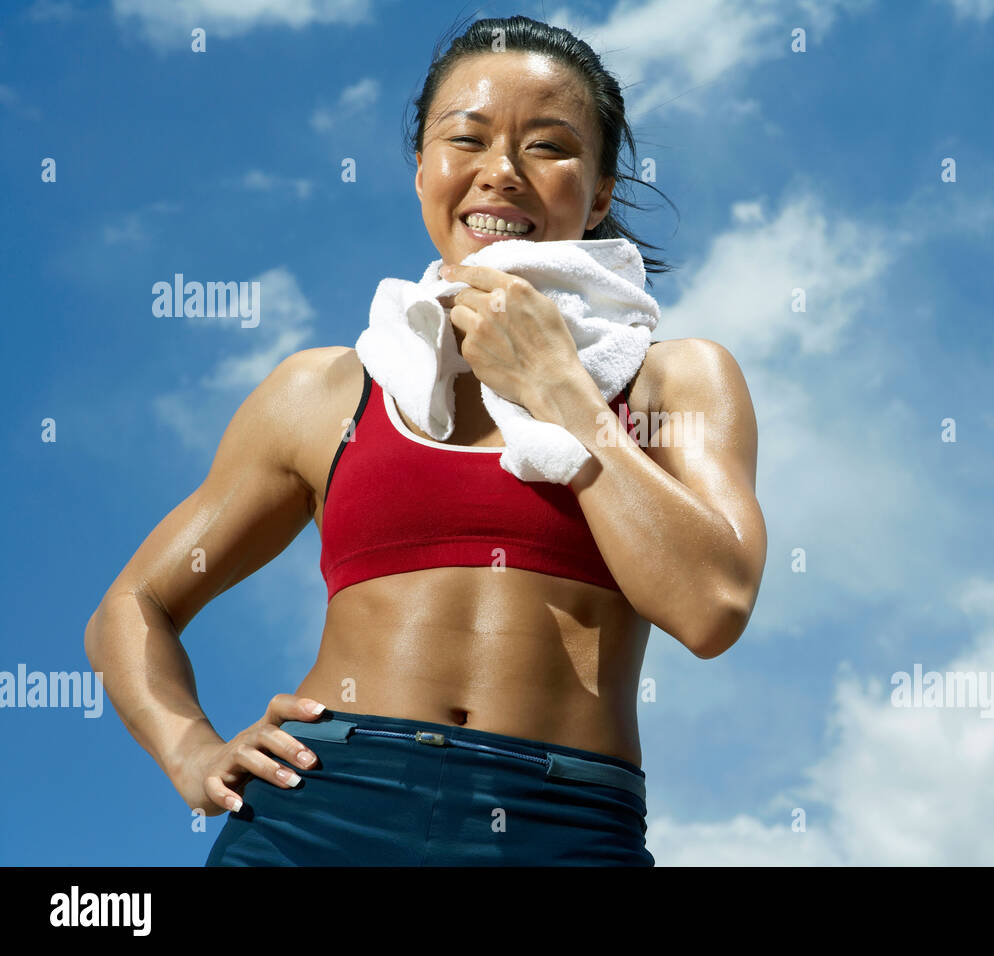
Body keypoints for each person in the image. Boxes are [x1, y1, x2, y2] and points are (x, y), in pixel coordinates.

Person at [83, 14, 766, 866]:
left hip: (561, 825)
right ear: (421, 173)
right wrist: (190, 748)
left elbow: (713, 607)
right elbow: (132, 607)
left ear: (597, 194)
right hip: (316, 814)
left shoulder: (675, 380)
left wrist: (559, 389)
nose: (501, 173)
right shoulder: (323, 390)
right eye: (466, 139)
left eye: (548, 146)